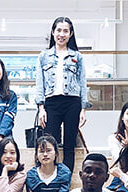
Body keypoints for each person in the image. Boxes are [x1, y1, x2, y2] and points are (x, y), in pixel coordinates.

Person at [36, 16, 90, 172]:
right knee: (49, 145)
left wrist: (83, 109)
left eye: (65, 31)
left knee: (69, 145)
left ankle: (65, 180)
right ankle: (49, 178)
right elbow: (39, 83)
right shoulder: (43, 56)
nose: (61, 34)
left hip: (72, 103)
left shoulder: (77, 56)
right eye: (58, 30)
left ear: (71, 34)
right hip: (51, 103)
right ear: (53, 32)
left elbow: (82, 83)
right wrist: (41, 108)